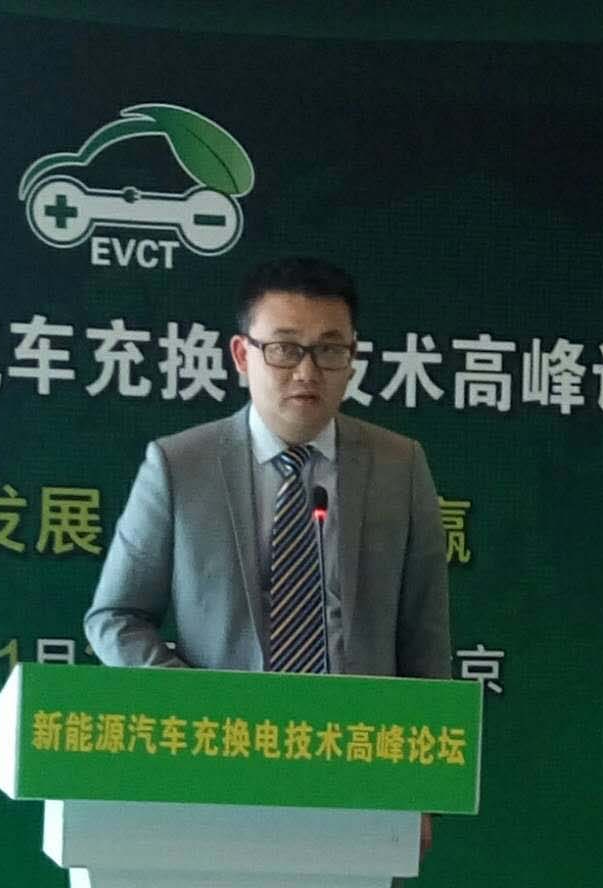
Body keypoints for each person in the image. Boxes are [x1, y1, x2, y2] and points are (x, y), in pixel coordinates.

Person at [83, 256, 450, 865]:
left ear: (353, 357)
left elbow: (424, 637)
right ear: (241, 355)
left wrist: (424, 789)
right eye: (283, 349)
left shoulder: (400, 466)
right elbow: (115, 617)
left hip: (359, 768)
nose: (307, 371)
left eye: (329, 350)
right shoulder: (180, 465)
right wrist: (199, 709)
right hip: (217, 766)